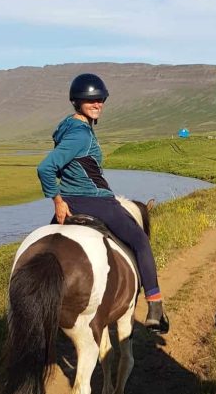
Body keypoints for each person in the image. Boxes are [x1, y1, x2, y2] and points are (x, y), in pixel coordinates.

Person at [37, 73, 169, 333]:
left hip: (72, 200)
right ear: (78, 102)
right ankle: (155, 305)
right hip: (94, 200)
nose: (97, 104)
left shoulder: (68, 127)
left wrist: (62, 200)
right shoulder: (81, 135)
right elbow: (45, 168)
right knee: (140, 240)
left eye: (100, 100)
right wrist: (57, 200)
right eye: (91, 100)